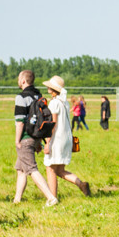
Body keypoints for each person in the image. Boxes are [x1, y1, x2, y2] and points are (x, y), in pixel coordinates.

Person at [13, 70, 59, 206]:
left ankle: (51, 197)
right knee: (21, 170)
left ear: (23, 81)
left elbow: (20, 121)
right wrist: (38, 141)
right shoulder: (38, 95)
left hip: (25, 138)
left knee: (31, 169)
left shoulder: (21, 97)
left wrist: (17, 140)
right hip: (36, 136)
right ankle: (17, 200)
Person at [42, 76, 91, 198]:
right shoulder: (65, 102)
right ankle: (81, 184)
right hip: (66, 138)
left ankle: (53, 198)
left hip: (57, 139)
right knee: (60, 170)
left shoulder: (54, 103)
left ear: (53, 89)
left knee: (51, 168)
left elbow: (53, 124)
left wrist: (47, 142)